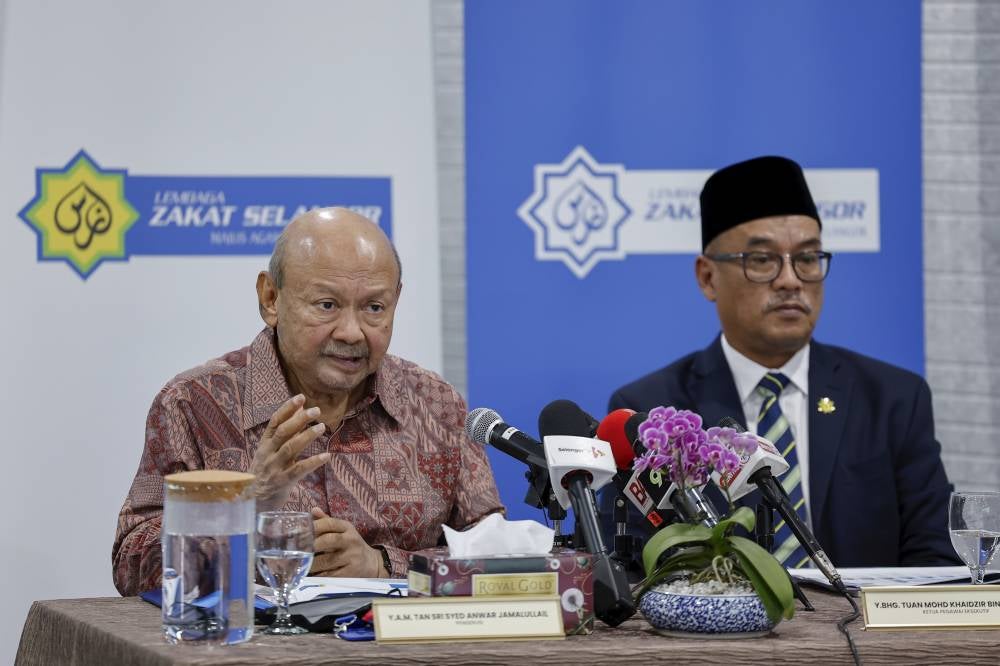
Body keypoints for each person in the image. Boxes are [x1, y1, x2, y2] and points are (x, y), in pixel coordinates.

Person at [113, 208, 504, 596]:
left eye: (374, 308)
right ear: (271, 298)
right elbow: (132, 568)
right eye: (327, 305)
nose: (352, 332)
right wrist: (244, 509)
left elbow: (497, 558)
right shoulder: (194, 405)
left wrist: (384, 565)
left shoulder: (436, 406)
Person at [607, 156, 957, 567]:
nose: (790, 280)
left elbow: (935, 557)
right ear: (707, 278)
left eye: (807, 258)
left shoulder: (893, 399)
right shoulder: (654, 413)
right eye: (761, 260)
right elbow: (632, 563)